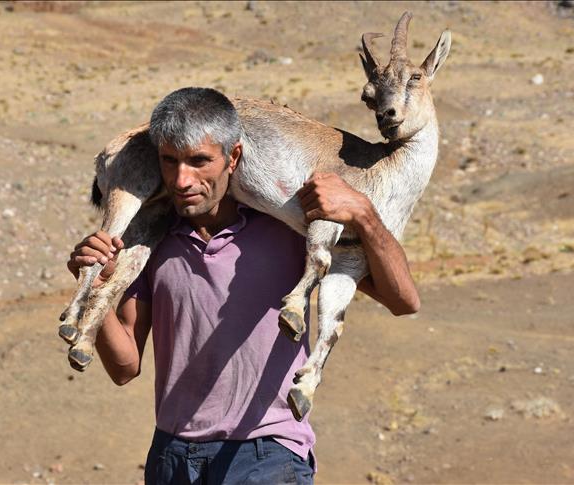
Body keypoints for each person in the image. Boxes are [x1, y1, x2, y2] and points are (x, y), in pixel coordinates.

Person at [67, 87, 419, 484]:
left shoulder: (289, 228)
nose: (183, 180)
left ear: (232, 157)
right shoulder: (150, 242)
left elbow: (403, 299)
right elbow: (124, 366)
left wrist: (364, 213)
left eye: (199, 161)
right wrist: (92, 285)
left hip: (266, 454)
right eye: (170, 162)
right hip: (171, 456)